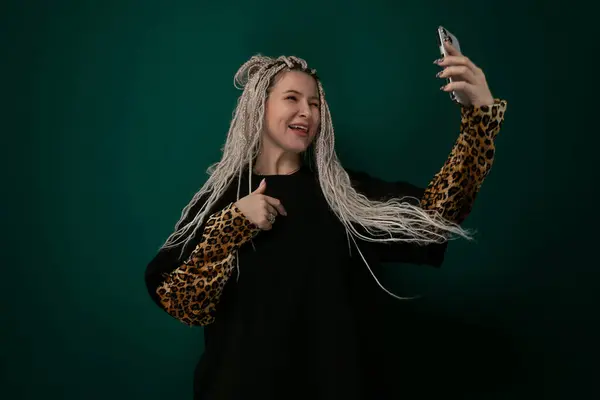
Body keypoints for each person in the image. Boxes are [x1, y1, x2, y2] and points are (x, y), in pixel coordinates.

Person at [145, 39, 507, 400]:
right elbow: (181, 300)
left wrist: (479, 120)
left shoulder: (343, 194)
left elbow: (433, 220)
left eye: (315, 103)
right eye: (292, 98)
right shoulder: (221, 198)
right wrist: (232, 224)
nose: (307, 112)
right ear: (259, 105)